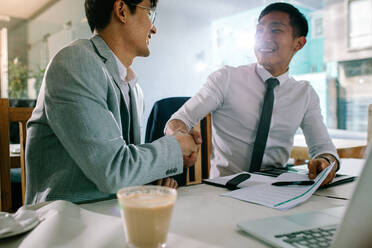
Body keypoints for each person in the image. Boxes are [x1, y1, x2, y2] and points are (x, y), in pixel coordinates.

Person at [25, 0, 199, 204]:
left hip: (112, 216)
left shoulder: (134, 88)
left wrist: (151, 179)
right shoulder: (74, 62)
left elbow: (122, 169)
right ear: (122, 11)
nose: (154, 27)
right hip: (64, 221)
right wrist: (174, 148)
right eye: (150, 13)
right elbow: (113, 172)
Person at [166, 2, 339, 185]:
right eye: (259, 30)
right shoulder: (226, 78)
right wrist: (179, 135)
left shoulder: (305, 93)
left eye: (275, 30)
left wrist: (326, 163)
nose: (264, 38)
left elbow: (324, 148)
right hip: (224, 190)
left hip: (276, 191)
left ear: (298, 43)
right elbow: (179, 119)